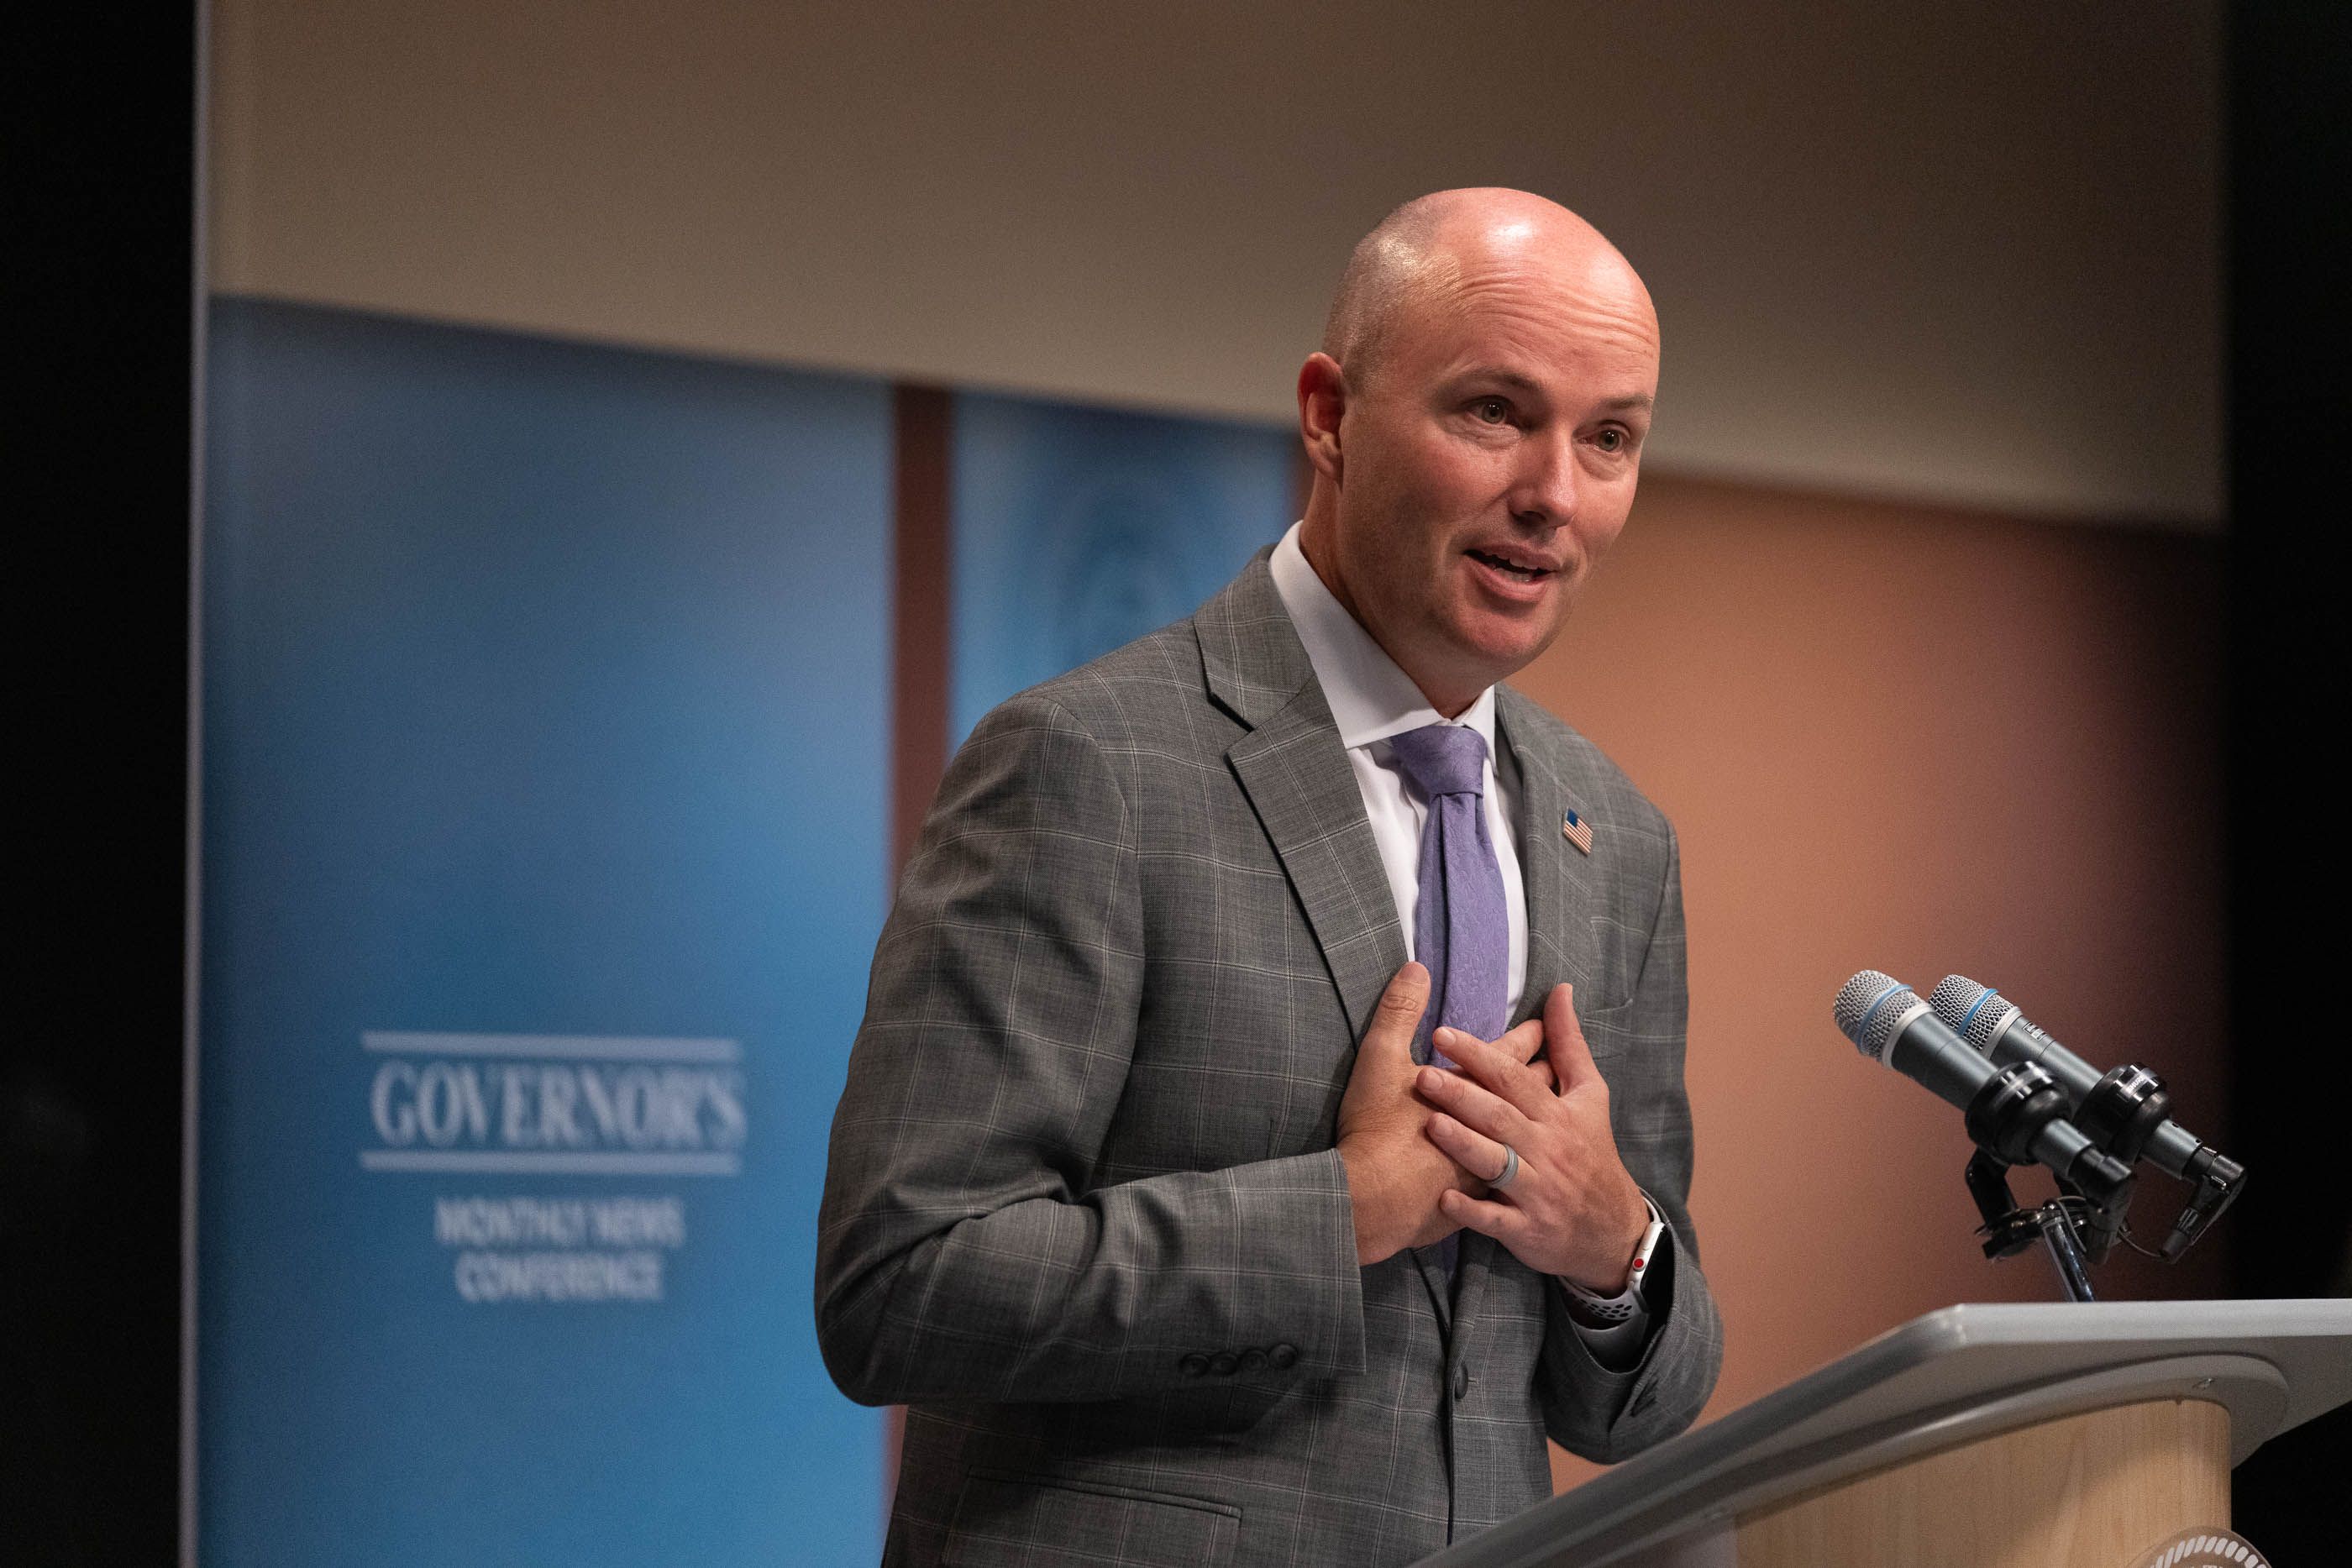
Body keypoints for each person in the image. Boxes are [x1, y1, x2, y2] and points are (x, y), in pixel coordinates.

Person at [816, 187, 1723, 1567]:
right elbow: (901, 1284)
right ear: (1328, 415)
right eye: (1495, 413)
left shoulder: (1622, 837)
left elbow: (1634, 1410)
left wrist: (1616, 1249)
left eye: (1609, 439)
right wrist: (1342, 1213)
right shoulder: (1088, 763)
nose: (1553, 494)